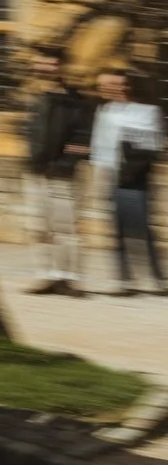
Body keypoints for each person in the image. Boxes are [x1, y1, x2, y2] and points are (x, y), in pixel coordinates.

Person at [89, 67, 166, 297]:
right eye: (107, 85)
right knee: (118, 230)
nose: (111, 88)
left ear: (127, 86)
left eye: (116, 84)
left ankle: (156, 279)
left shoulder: (147, 111)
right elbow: (100, 145)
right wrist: (100, 175)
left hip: (136, 178)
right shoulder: (105, 111)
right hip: (112, 176)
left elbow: (153, 144)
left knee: (142, 229)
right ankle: (124, 279)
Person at [23, 45, 92, 296]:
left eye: (51, 63)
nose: (45, 67)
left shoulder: (74, 101)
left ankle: (69, 278)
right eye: (42, 63)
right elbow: (27, 132)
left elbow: (83, 137)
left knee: (67, 227)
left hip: (62, 174)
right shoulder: (32, 98)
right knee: (37, 226)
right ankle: (45, 275)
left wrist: (65, 164)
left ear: (60, 66)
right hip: (35, 172)